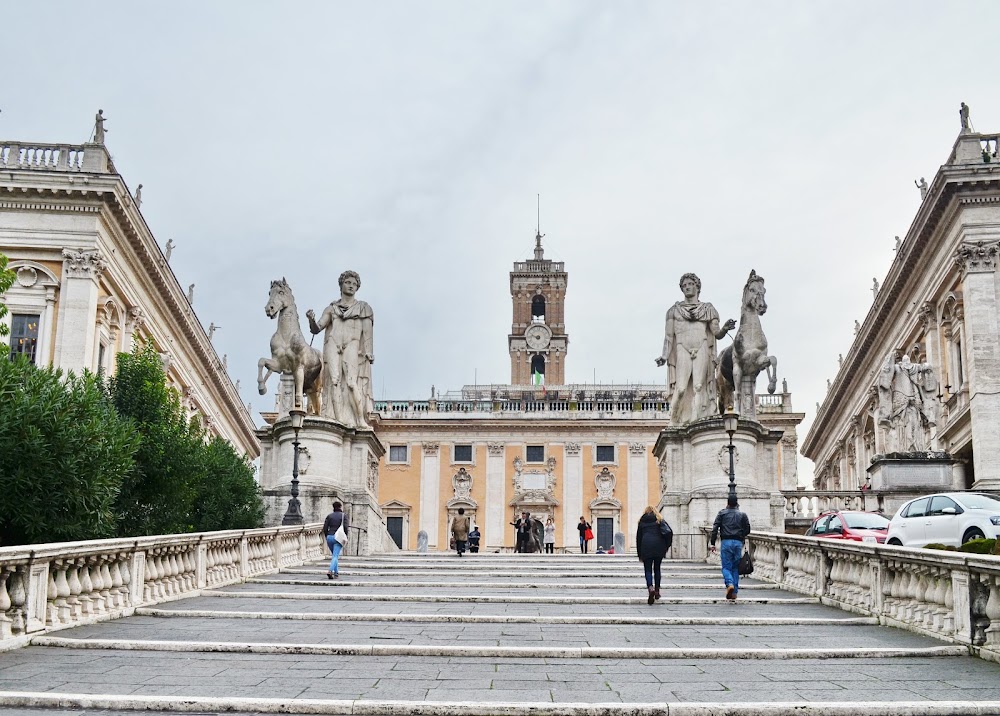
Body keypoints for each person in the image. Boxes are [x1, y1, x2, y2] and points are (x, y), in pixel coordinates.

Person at [655, 273, 736, 425]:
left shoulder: (708, 309)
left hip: (702, 347)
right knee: (680, 388)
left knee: (700, 386)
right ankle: (674, 421)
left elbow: (716, 333)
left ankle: (695, 421)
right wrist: (664, 356)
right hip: (682, 348)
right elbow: (668, 336)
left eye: (690, 284)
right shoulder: (674, 311)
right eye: (684, 285)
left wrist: (725, 328)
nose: (687, 287)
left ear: (697, 287)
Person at [306, 270, 374, 429]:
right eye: (348, 283)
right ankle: (338, 419)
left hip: (352, 344)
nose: (351, 286)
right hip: (333, 342)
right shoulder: (331, 308)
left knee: (351, 382)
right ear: (341, 284)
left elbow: (367, 333)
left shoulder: (363, 308)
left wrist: (369, 351)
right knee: (334, 381)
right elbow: (317, 329)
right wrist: (311, 320)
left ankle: (360, 420)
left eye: (354, 284)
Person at [709, 496, 751, 601]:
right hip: (737, 542)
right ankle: (734, 593)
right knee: (735, 567)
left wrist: (712, 543)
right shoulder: (742, 515)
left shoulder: (722, 513)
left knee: (726, 567)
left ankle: (729, 583)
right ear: (737, 503)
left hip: (726, 542)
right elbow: (748, 529)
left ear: (727, 503)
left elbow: (715, 528)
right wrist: (741, 535)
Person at [636, 506, 672, 605]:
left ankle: (650, 588)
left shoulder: (642, 521)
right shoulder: (660, 520)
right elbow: (669, 532)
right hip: (658, 546)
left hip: (646, 546)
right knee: (657, 569)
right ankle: (657, 591)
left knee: (647, 569)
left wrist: (639, 554)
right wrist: (666, 546)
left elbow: (638, 538)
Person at [322, 501, 349, 579]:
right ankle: (330, 571)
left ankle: (336, 573)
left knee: (334, 555)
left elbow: (325, 528)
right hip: (338, 538)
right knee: (335, 556)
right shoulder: (344, 516)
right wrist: (345, 536)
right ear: (340, 507)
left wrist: (327, 535)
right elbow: (346, 528)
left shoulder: (329, 516)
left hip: (330, 537)